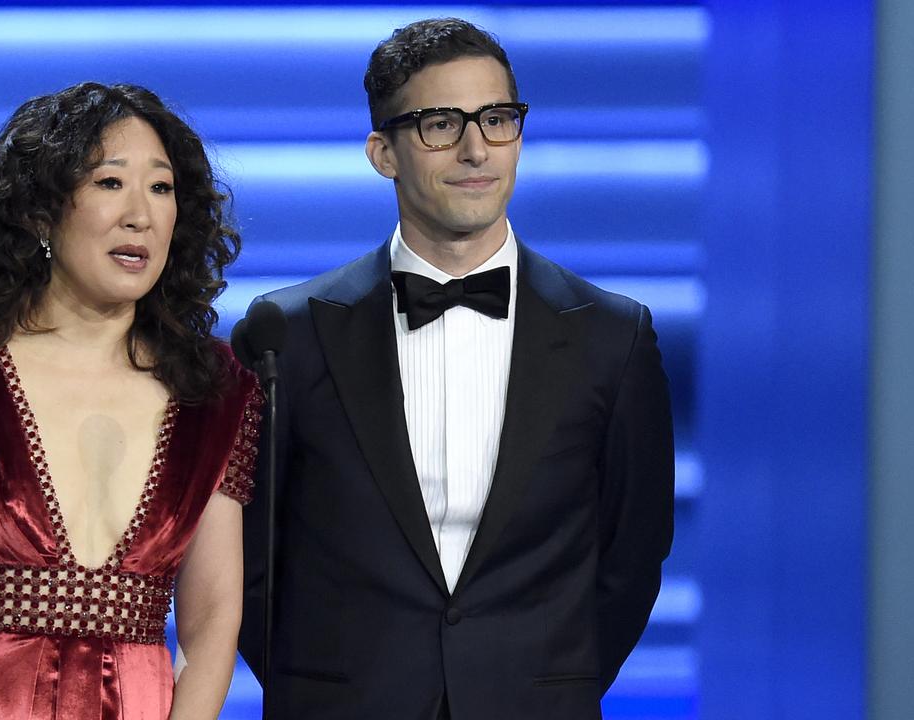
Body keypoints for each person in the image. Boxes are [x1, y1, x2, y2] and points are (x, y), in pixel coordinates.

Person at [237, 18, 674, 720]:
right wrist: (316, 685)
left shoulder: (613, 336)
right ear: (384, 152)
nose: (477, 149)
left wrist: (547, 681)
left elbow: (633, 556)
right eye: (441, 124)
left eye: (497, 119)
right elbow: (250, 561)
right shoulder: (285, 334)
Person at [0, 82, 260, 720]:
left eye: (161, 188)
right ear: (40, 212)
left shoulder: (219, 388)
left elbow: (211, 623)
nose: (141, 214)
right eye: (109, 183)